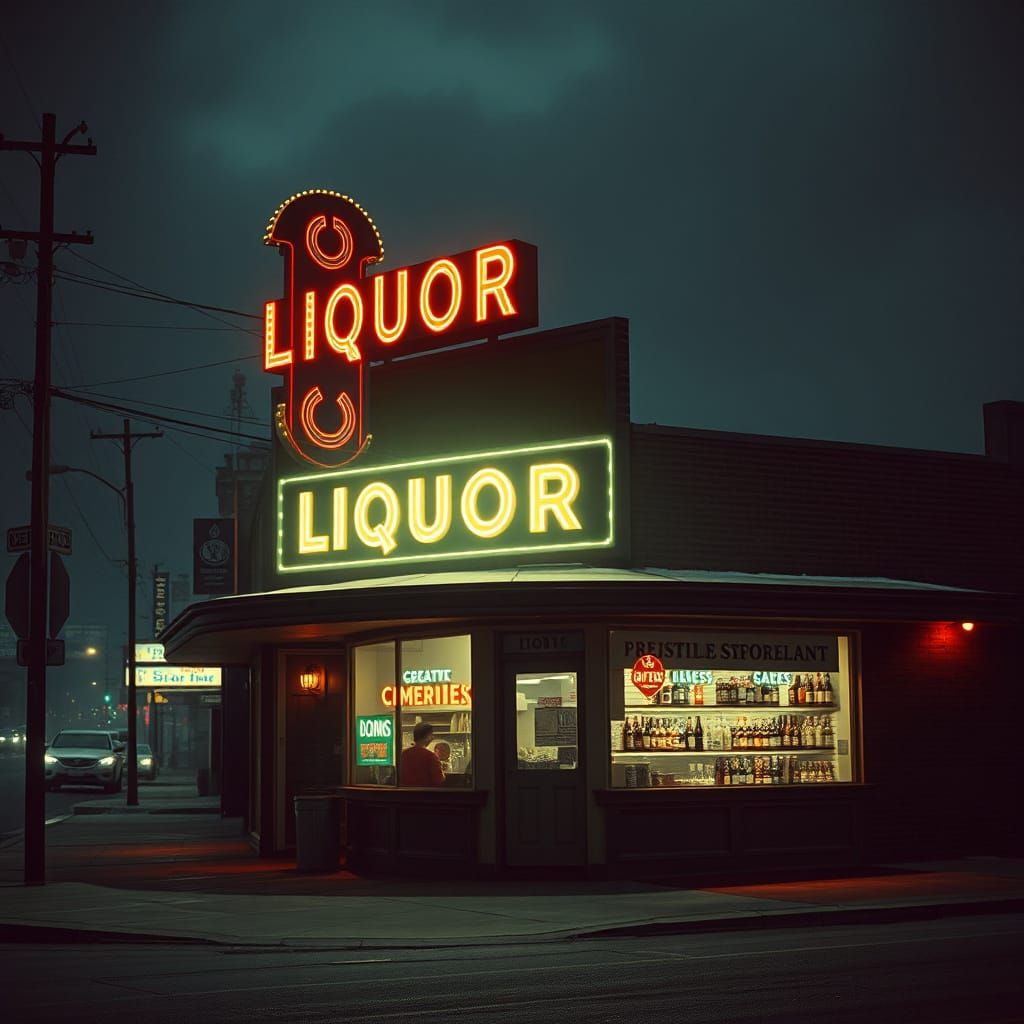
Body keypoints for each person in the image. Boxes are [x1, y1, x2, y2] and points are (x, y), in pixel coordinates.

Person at [399, 722, 446, 787]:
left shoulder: (404, 754)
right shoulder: (431, 756)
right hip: (424, 795)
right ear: (426, 736)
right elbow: (439, 780)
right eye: (431, 735)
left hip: (405, 795)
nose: (433, 738)